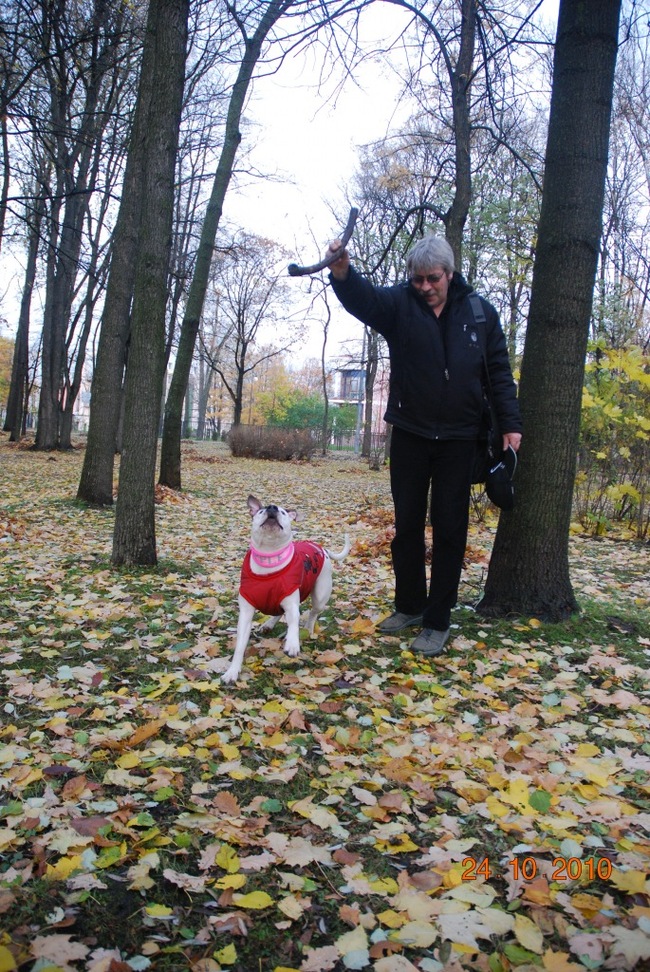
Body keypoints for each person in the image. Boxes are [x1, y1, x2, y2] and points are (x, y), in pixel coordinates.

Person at [327, 234, 522, 656]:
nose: (425, 286)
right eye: (417, 279)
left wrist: (510, 425)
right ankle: (410, 606)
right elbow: (364, 300)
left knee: (450, 529)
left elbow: (500, 375)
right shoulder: (400, 305)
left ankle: (438, 620)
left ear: (450, 274)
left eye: (432, 278)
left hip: (460, 439)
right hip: (411, 434)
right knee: (407, 526)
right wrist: (342, 273)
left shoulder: (480, 314)